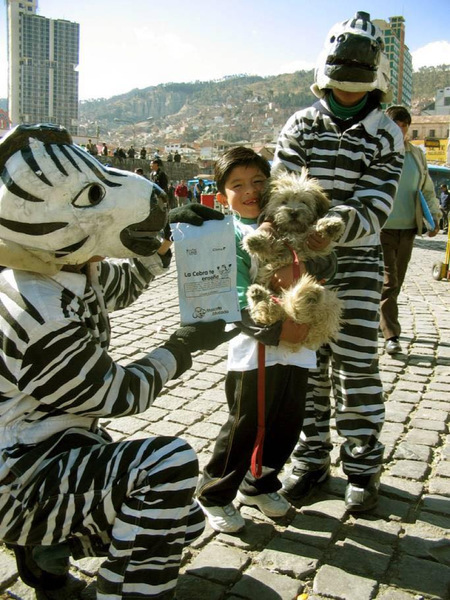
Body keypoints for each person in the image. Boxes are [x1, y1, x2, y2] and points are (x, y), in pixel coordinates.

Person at [0, 123, 236, 598]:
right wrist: (182, 346)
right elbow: (120, 392)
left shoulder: (63, 266)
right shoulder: (31, 307)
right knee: (168, 468)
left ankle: (44, 552)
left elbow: (122, 286)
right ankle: (111, 583)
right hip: (18, 476)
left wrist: (167, 239)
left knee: (182, 520)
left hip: (52, 448)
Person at [273, 11, 405, 513]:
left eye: (356, 85)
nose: (347, 93)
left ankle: (363, 466)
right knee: (309, 364)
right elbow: (283, 185)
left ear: (372, 82)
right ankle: (310, 460)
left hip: (358, 264)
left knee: (357, 366)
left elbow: (376, 203)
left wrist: (333, 227)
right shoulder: (300, 123)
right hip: (303, 264)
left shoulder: (386, 134)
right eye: (340, 84)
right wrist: (292, 231)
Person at [196, 147, 337, 533]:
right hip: (257, 345)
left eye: (258, 181)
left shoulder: (290, 227)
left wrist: (320, 256)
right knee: (247, 424)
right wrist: (274, 328)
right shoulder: (228, 235)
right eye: (236, 185)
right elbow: (236, 294)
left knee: (287, 423)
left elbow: (325, 263)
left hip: (299, 344)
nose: (250, 191)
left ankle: (258, 484)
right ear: (222, 194)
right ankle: (214, 493)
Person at [380, 106, 440, 355]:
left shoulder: (415, 154)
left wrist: (434, 217)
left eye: (405, 124)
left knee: (397, 280)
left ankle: (379, 320)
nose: (401, 129)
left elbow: (426, 188)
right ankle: (391, 334)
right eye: (397, 124)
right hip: (381, 227)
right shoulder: (378, 150)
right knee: (390, 280)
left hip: (408, 227)